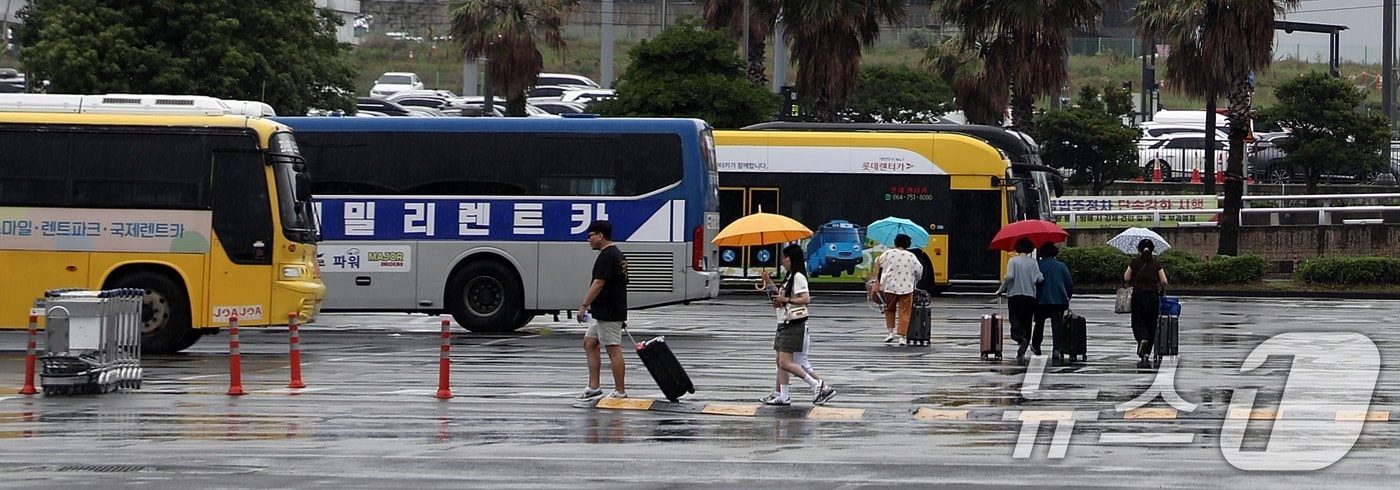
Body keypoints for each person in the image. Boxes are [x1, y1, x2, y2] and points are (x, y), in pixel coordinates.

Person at [760, 244, 837, 406]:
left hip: (793, 324)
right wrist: (768, 282)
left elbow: (805, 299)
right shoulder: (789, 277)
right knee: (785, 362)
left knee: (785, 362)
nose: (783, 261)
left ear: (792, 259)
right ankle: (782, 394)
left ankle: (816, 385)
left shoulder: (798, 277)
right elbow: (779, 297)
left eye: (785, 258)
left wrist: (786, 300)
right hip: (784, 322)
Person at [576, 220, 629, 400]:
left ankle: (620, 391)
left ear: (600, 235)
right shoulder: (617, 255)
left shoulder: (607, 256)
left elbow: (599, 283)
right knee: (589, 343)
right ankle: (594, 386)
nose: (588, 240)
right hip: (605, 312)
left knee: (613, 349)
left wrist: (584, 305)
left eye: (590, 236)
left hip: (609, 311)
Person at [995, 237, 1043, 362]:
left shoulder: (1013, 261)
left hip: (1015, 295)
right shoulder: (1033, 262)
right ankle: (1024, 343)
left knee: (1014, 319)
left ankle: (1020, 339)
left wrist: (1001, 290)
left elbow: (1010, 276)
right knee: (1027, 321)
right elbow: (1040, 279)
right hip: (1030, 296)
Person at [870, 234, 923, 346]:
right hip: (906, 288)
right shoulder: (911, 256)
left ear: (895, 242)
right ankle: (902, 337)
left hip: (889, 287)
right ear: (908, 244)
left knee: (889, 309)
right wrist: (915, 280)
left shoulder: (888, 253)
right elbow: (919, 270)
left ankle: (890, 333)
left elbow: (877, 262)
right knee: (904, 313)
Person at [1124, 238, 1169, 363]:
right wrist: (1162, 290)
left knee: (1138, 321)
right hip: (1152, 296)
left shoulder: (1134, 262)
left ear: (1139, 249)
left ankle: (1142, 339)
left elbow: (1126, 277)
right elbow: (1164, 281)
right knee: (1151, 324)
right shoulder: (1156, 264)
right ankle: (1146, 353)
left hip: (1138, 295)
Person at [1033, 243, 1074, 363]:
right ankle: (1057, 348)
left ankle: (1036, 345)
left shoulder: (1037, 265)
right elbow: (1069, 283)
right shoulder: (1061, 266)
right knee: (1057, 325)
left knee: (1039, 324)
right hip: (1059, 300)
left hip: (1041, 300)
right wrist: (1067, 296)